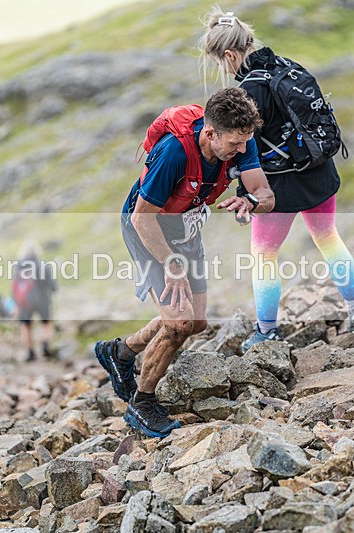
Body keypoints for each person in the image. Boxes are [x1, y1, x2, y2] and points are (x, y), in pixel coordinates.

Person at [94, 87, 275, 438]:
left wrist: (251, 201)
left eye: (245, 143)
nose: (242, 151)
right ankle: (142, 404)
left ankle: (120, 352)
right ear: (210, 133)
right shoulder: (174, 152)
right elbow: (142, 219)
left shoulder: (242, 140)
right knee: (179, 323)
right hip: (147, 228)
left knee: (196, 322)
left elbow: (266, 194)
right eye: (234, 144)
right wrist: (172, 266)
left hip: (185, 227)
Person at [199, 8, 354, 353]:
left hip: (279, 186)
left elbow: (245, 149)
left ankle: (267, 331)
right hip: (319, 171)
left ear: (230, 55)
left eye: (221, 63)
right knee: (329, 240)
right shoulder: (286, 66)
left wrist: (245, 193)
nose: (225, 70)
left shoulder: (248, 91)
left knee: (264, 255)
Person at [12, 240, 57, 362]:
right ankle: (45, 346)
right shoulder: (42, 265)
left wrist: (16, 303)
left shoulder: (19, 267)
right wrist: (53, 291)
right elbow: (52, 285)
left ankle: (30, 352)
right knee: (46, 323)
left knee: (26, 325)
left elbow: (15, 286)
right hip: (42, 300)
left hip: (25, 302)